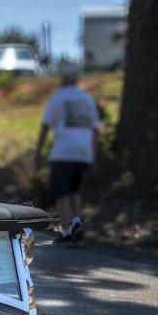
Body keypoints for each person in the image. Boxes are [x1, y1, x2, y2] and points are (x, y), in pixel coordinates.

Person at [33, 62, 100, 245]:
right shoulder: (87, 98)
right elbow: (95, 130)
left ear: (63, 77)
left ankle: (65, 232)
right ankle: (77, 222)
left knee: (61, 193)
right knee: (75, 190)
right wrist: (94, 156)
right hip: (84, 152)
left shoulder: (58, 97)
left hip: (64, 151)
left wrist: (38, 152)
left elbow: (46, 125)